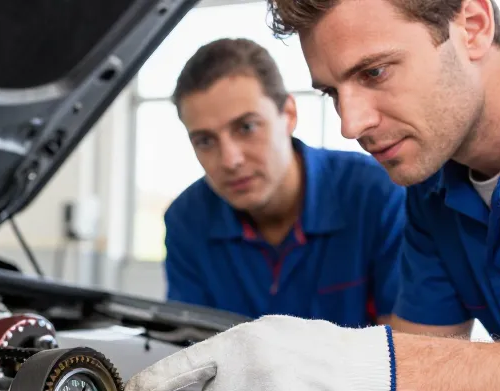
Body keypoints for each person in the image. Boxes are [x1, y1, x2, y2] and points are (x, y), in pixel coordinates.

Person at [125, 0, 500, 391]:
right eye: (332, 92)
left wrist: (362, 366)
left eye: (375, 72)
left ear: (474, 25)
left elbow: (399, 372)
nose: (349, 125)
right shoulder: (431, 191)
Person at [163, 38, 405, 328]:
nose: (230, 160)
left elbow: (407, 352)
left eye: (247, 127)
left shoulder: (378, 197)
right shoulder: (186, 221)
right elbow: (190, 352)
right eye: (205, 141)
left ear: (288, 114)